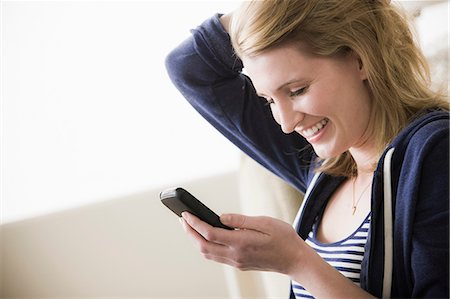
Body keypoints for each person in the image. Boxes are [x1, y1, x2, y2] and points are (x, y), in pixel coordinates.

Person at [165, 0, 449, 298]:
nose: (286, 124)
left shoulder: (434, 152)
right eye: (269, 101)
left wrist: (298, 262)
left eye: (297, 90)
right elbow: (189, 66)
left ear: (361, 59)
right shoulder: (323, 166)